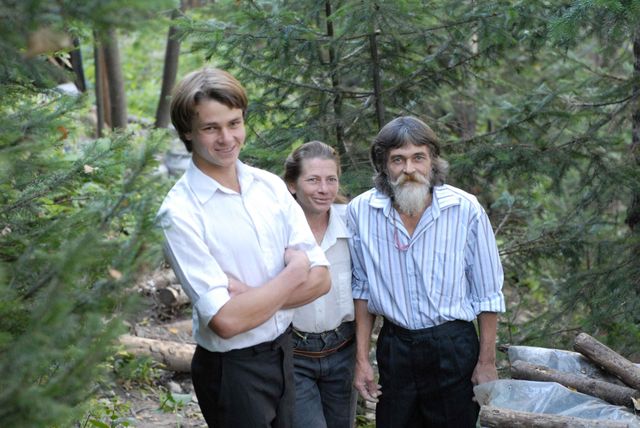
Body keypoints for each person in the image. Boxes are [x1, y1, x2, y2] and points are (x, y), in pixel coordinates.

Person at [157, 67, 331, 428]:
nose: (227, 138)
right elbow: (226, 321)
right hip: (232, 372)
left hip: (284, 352)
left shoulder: (269, 186)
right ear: (187, 131)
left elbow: (322, 279)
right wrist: (294, 271)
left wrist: (250, 299)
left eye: (234, 123)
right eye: (211, 128)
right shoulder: (180, 212)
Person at [347, 116, 505, 427]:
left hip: (453, 347)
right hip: (395, 347)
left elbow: (487, 293)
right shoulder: (361, 212)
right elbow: (362, 289)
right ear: (383, 165)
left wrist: (486, 362)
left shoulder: (465, 209)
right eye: (398, 159)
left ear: (432, 160)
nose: (409, 169)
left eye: (418, 157)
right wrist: (362, 360)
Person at [284, 141, 357, 428]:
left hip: (343, 350)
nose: (324, 189)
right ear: (292, 184)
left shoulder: (351, 222)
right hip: (294, 352)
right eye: (313, 180)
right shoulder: (279, 228)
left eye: (331, 179)